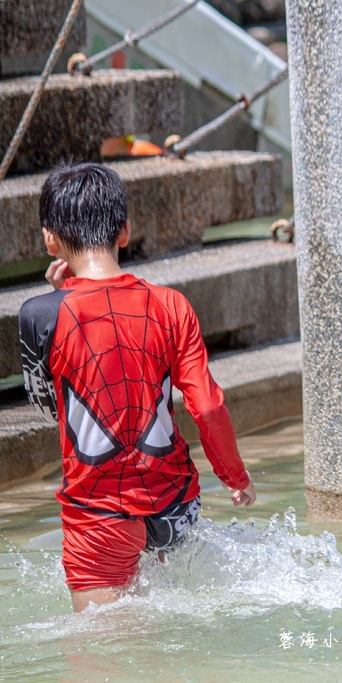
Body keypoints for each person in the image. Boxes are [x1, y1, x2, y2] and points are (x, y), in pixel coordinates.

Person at [18, 163, 256, 613]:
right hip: (176, 506)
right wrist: (235, 478)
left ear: (50, 239)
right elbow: (206, 407)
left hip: (99, 515)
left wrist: (60, 294)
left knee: (107, 656)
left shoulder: (39, 315)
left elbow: (52, 408)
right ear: (124, 231)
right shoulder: (172, 305)